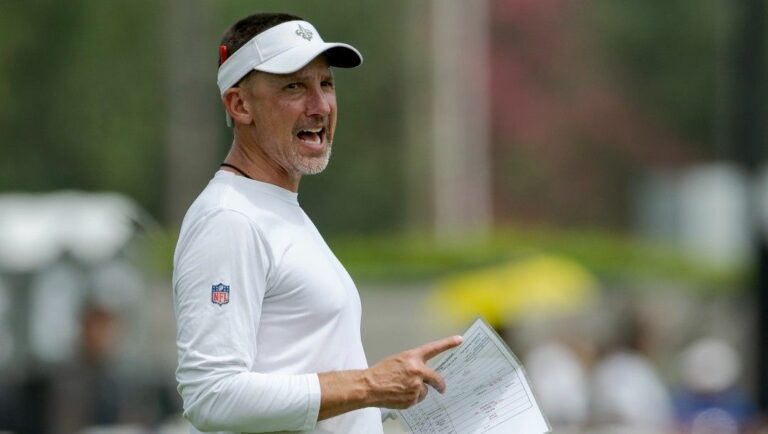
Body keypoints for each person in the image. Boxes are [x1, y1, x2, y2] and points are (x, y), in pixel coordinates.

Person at [172, 12, 463, 434]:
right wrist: (370, 385)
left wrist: (396, 396)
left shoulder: (276, 208)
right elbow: (212, 396)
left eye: (326, 84)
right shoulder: (230, 218)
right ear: (239, 105)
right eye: (294, 86)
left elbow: (299, 383)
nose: (320, 105)